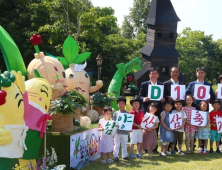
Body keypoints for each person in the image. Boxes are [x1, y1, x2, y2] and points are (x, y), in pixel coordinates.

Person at [139, 67, 164, 153]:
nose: (154, 75)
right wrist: (143, 98)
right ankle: (145, 148)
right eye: (152, 73)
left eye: (155, 73)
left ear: (158, 75)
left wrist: (163, 100)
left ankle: (154, 148)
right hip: (147, 110)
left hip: (157, 111)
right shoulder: (144, 84)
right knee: (145, 129)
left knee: (155, 129)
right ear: (149, 75)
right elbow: (140, 96)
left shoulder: (161, 85)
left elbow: (164, 96)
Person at [164, 66, 184, 152]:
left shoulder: (182, 84)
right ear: (170, 73)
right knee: (170, 127)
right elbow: (162, 95)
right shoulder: (165, 84)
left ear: (179, 73)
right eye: (173, 72)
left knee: (177, 128)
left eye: (177, 72)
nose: (175, 73)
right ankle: (168, 146)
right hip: (169, 109)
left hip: (178, 109)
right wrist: (167, 97)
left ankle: (174, 146)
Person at [112, 96, 130, 161]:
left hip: (125, 132)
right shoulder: (115, 113)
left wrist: (129, 128)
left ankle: (124, 156)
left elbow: (129, 123)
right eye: (119, 103)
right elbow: (113, 122)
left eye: (122, 103)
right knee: (116, 145)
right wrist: (113, 130)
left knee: (124, 145)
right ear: (117, 104)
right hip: (117, 132)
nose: (121, 105)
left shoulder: (128, 113)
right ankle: (116, 156)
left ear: (125, 104)